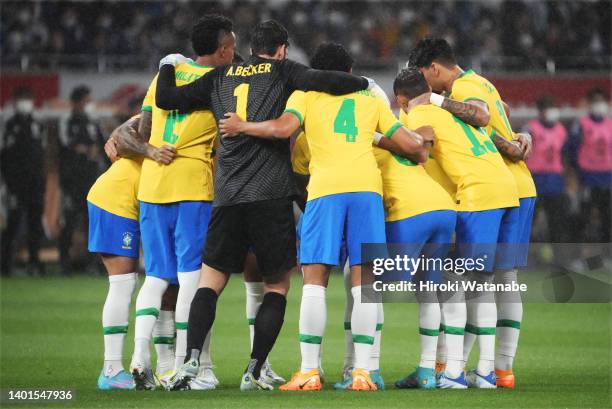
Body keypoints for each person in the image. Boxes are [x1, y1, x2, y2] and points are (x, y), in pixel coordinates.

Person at [156, 20, 371, 391]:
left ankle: (190, 360)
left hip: (227, 196)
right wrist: (364, 83)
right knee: (276, 287)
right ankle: (255, 370)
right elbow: (330, 80)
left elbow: (167, 99)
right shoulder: (283, 71)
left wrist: (167, 63)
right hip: (270, 196)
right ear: (282, 48)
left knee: (211, 281)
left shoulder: (218, 76)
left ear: (250, 47)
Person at [218, 42, 430, 391]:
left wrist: (244, 127)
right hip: (367, 191)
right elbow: (411, 146)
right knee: (364, 285)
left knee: (314, 281)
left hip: (326, 190)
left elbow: (284, 129)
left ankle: (309, 372)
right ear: (349, 72)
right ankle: (362, 373)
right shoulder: (369, 98)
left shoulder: (305, 92)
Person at [116, 14, 236, 390]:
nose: (234, 55)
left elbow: (140, 131)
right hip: (192, 187)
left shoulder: (163, 77)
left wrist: (151, 152)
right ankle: (187, 366)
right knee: (190, 279)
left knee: (154, 277)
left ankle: (139, 359)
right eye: (232, 48)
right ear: (221, 50)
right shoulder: (220, 84)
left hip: (152, 186)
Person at [409, 38, 535, 389]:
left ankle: (466, 369)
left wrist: (433, 100)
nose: (426, 85)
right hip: (515, 187)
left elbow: (481, 116)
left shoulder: (461, 87)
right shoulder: (482, 81)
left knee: (473, 283)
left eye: (425, 77)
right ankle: (498, 369)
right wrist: (517, 138)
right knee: (498, 281)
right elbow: (501, 115)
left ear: (434, 68)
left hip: (491, 188)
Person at [87, 115, 176, 390]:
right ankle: (111, 369)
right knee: (124, 283)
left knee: (165, 280)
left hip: (151, 203)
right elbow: (121, 135)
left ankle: (165, 366)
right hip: (117, 199)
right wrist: (136, 144)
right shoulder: (156, 109)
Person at [389, 70, 458, 390]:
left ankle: (364, 369)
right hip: (444, 208)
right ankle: (428, 371)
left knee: (365, 283)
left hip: (412, 211)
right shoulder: (405, 128)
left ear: (401, 100)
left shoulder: (380, 134)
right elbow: (424, 138)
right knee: (428, 289)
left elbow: (426, 132)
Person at [59, 85, 105, 274]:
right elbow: (67, 145)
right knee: (69, 222)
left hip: (92, 181)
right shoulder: (66, 121)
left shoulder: (94, 123)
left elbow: (104, 145)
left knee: (93, 223)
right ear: (76, 103)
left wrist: (96, 150)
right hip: (72, 182)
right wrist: (85, 150)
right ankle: (64, 263)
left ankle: (92, 263)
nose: (89, 105)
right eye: (86, 101)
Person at [0, 87, 46, 276]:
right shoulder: (8, 124)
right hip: (15, 185)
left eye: (28, 98)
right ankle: (5, 265)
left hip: (35, 184)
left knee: (35, 226)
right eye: (23, 99)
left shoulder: (36, 124)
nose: (26, 103)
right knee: (13, 224)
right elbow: (4, 156)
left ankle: (34, 263)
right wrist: (8, 182)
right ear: (15, 101)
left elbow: (40, 155)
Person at [568, 88, 611, 245]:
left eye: (601, 101)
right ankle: (578, 255)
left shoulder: (610, 124)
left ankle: (606, 255)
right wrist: (578, 172)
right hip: (587, 177)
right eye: (595, 101)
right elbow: (572, 149)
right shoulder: (581, 124)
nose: (599, 105)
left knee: (607, 218)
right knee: (583, 217)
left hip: (607, 177)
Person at [525, 97, 569, 249]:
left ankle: (560, 259)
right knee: (528, 221)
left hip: (555, 180)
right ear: (540, 111)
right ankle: (522, 258)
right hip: (534, 179)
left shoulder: (561, 130)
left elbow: (565, 155)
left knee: (557, 222)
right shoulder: (530, 129)